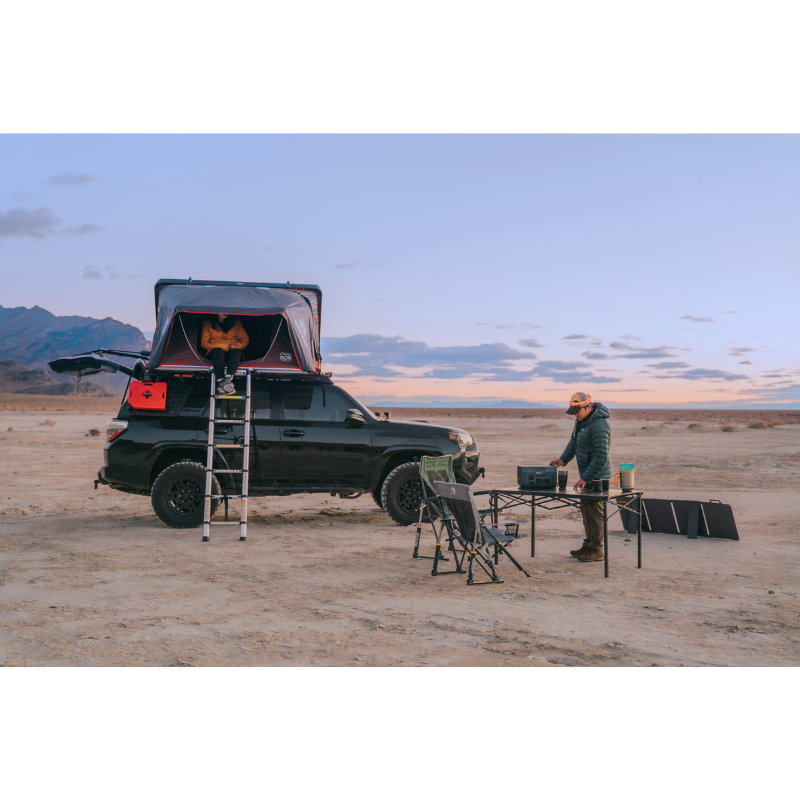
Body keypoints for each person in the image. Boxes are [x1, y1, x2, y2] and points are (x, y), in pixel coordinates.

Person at [549, 392, 612, 563]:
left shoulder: (599, 424)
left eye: (578, 411)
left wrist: (586, 478)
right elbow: (574, 444)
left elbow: (601, 456)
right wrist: (563, 459)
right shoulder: (581, 421)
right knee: (587, 512)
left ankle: (597, 550)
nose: (575, 415)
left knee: (595, 514)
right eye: (573, 411)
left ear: (588, 407)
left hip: (597, 478)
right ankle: (588, 545)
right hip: (587, 476)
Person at [200, 313, 250, 395]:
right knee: (218, 351)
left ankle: (227, 380)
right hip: (215, 353)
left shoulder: (236, 322)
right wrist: (224, 346)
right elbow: (204, 343)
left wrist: (236, 346)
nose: (225, 312)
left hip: (232, 351)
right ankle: (220, 381)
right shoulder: (208, 324)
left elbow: (245, 339)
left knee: (237, 351)